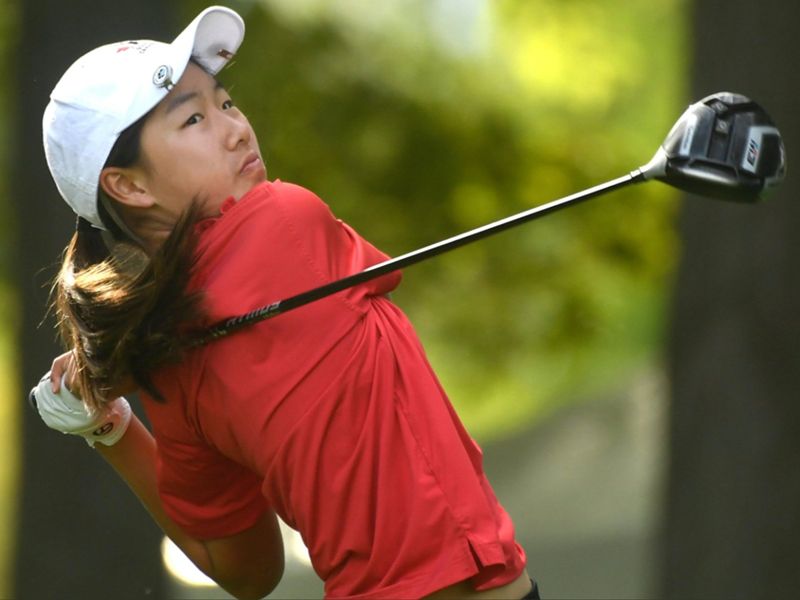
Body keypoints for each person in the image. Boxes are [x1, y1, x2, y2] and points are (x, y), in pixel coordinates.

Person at [33, 6, 539, 600]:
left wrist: (110, 429)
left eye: (224, 103)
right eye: (193, 118)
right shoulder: (288, 217)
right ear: (129, 185)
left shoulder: (165, 370)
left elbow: (246, 570)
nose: (237, 127)